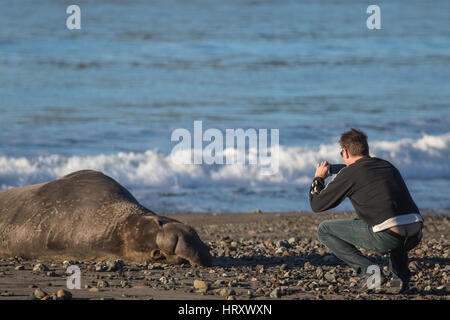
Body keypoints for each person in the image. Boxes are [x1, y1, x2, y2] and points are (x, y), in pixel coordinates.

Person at [309, 128, 423, 293]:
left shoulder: (350, 172)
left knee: (324, 229)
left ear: (346, 152)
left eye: (341, 153)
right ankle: (400, 278)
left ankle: (369, 272)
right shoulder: (386, 165)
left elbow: (317, 205)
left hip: (388, 236)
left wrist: (319, 178)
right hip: (415, 233)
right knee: (392, 219)